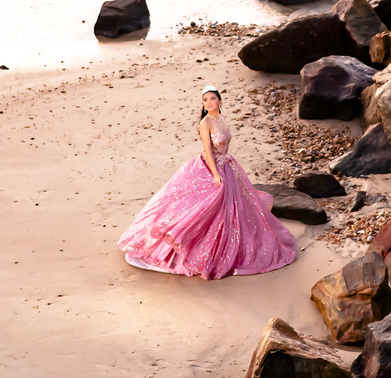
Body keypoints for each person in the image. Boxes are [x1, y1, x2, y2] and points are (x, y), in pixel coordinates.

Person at [118, 85, 297, 279]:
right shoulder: (206, 123)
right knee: (205, 204)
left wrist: (225, 168)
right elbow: (208, 150)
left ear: (219, 101)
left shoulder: (221, 118)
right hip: (211, 167)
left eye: (212, 99)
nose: (209, 102)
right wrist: (215, 174)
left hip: (228, 165)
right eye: (205, 100)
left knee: (236, 206)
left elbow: (224, 145)